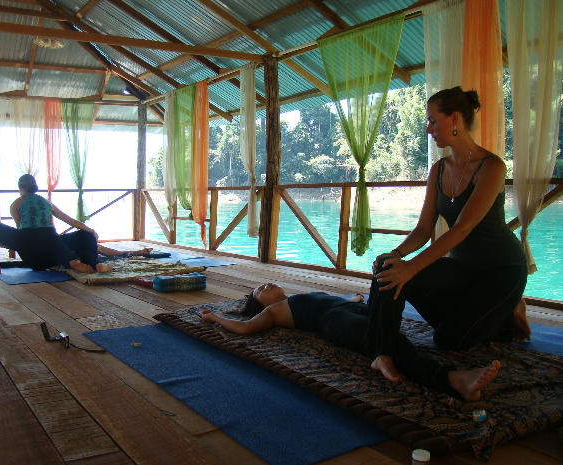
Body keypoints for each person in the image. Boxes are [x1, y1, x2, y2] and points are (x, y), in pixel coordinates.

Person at [366, 87, 529, 382]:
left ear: (454, 119)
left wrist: (412, 267)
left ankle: (505, 316)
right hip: (462, 267)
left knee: (448, 340)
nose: (428, 129)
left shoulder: (492, 167)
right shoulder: (438, 170)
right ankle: (382, 353)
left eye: (432, 121)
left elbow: (462, 228)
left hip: (502, 269)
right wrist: (397, 255)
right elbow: (423, 229)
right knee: (389, 271)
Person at [201, 283, 501, 402]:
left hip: (353, 310)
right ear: (260, 303)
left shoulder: (298, 297)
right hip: (335, 321)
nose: (265, 285)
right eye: (259, 289)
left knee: (394, 319)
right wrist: (214, 317)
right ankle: (453, 380)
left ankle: (497, 319)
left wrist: (353, 298)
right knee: (392, 342)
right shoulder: (274, 311)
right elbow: (244, 328)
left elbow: (335, 299)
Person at [0, 174, 114, 275]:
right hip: (52, 242)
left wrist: (4, 242)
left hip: (33, 256)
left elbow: (21, 229)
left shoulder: (16, 204)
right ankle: (88, 263)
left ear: (20, 188)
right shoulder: (47, 202)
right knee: (85, 236)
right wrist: (91, 231)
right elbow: (72, 222)